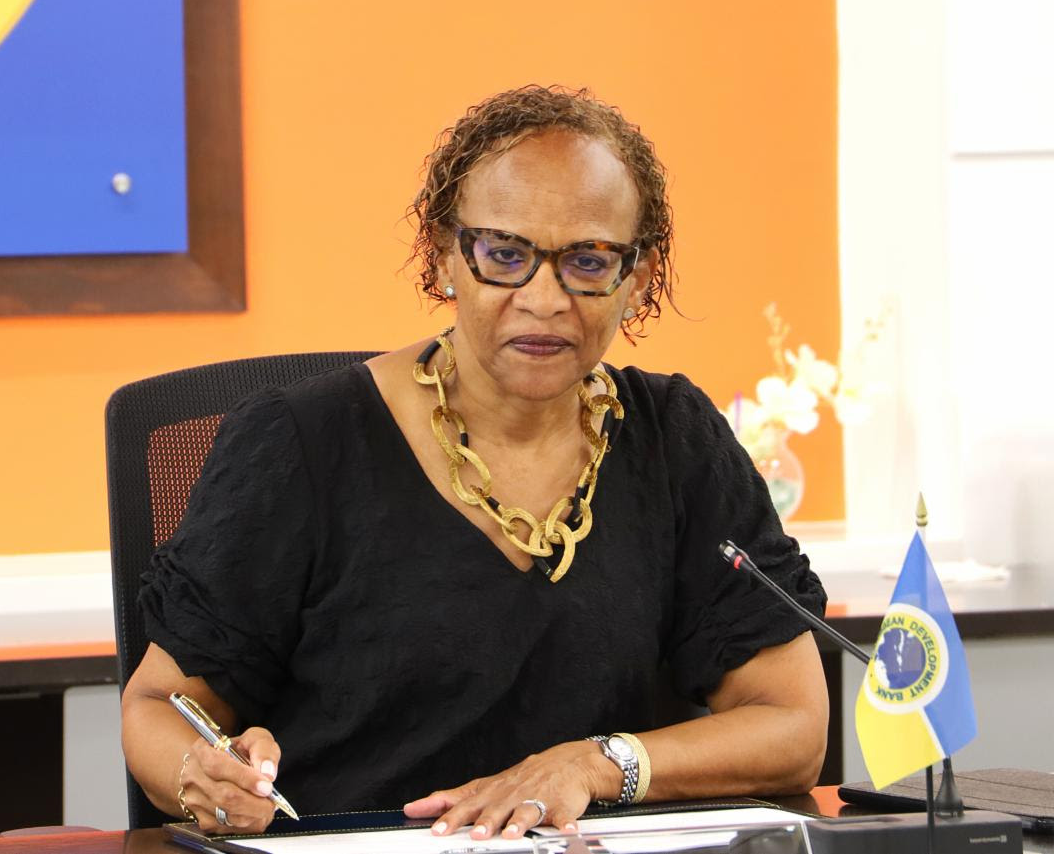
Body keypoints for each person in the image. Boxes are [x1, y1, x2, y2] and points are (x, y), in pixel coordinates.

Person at [120, 85, 828, 840]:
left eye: (588, 261)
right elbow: (157, 705)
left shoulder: (675, 441)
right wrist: (203, 772)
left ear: (638, 276)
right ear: (444, 256)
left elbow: (793, 727)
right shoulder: (299, 443)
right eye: (505, 255)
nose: (545, 299)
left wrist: (594, 764)